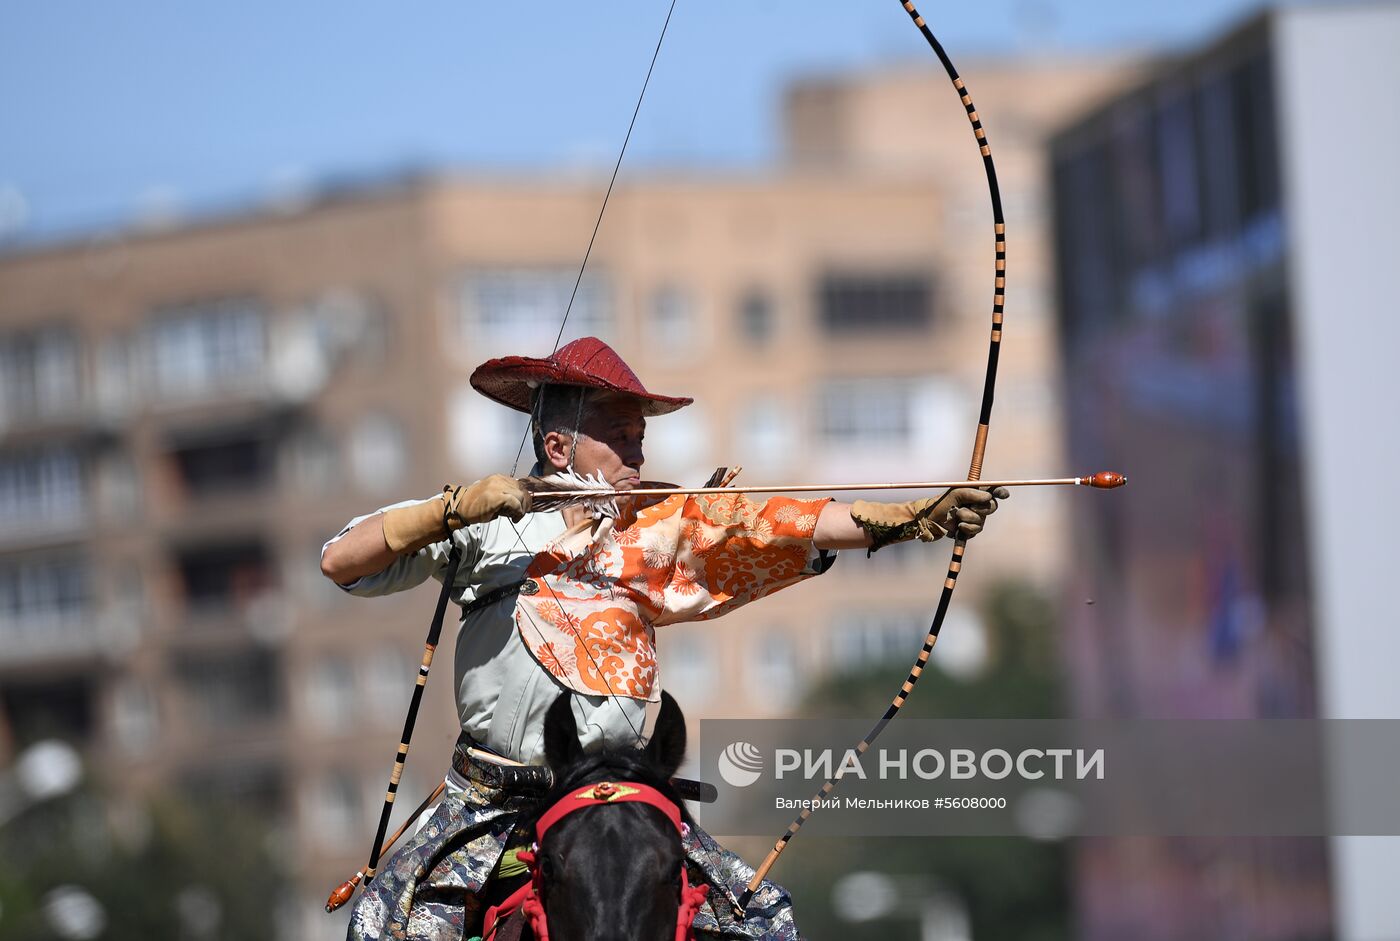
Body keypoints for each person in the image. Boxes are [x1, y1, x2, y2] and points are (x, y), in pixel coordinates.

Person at [320, 336, 1005, 941]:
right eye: (618, 432)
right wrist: (452, 508)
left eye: (639, 435)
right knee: (383, 925)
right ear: (559, 446)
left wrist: (911, 516)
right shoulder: (489, 523)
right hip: (489, 803)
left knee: (764, 918)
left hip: (618, 798)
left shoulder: (659, 526)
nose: (636, 447)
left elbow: (780, 524)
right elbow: (341, 560)